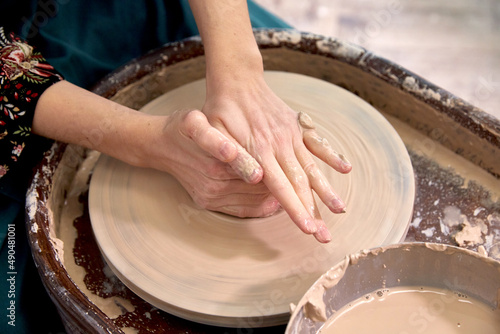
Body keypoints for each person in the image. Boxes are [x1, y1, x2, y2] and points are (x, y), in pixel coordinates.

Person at [1, 0, 352, 332]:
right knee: (18, 308)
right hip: (19, 77)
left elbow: (239, 63)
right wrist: (148, 143)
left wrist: (241, 72)